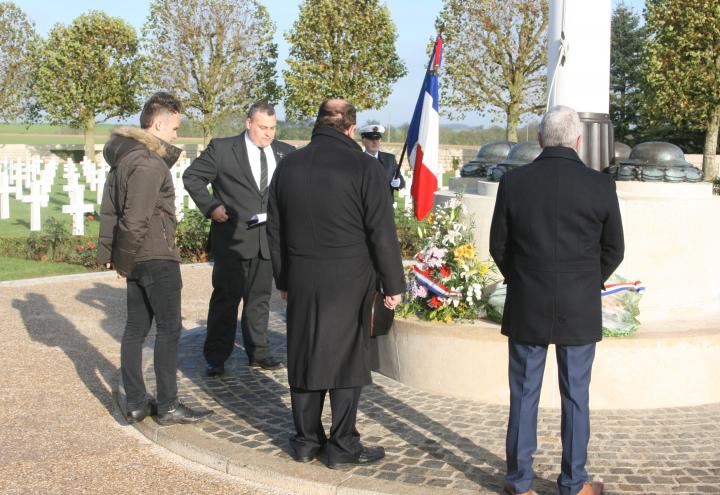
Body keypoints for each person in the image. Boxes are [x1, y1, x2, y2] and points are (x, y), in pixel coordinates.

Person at [489, 105, 624, 495]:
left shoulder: (514, 182)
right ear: (579, 141)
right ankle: (573, 482)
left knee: (524, 393)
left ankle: (519, 482)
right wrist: (586, 282)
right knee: (576, 396)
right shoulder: (600, 185)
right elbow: (614, 248)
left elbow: (500, 245)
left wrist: (523, 279)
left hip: (528, 302)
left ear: (540, 138)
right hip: (578, 306)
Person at [267, 99, 405, 468]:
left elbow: (274, 229)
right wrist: (394, 283)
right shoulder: (364, 166)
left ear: (318, 124)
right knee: (346, 360)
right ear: (350, 128)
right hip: (350, 278)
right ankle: (342, 447)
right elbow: (381, 232)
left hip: (301, 275)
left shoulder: (288, 165)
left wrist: (283, 279)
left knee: (305, 353)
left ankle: (305, 441)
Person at [98, 92, 212, 425]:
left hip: (138, 257)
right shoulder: (147, 162)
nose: (177, 134)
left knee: (135, 329)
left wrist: (116, 256)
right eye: (175, 127)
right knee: (169, 329)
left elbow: (110, 212)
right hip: (155, 255)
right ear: (159, 123)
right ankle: (168, 404)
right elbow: (134, 219)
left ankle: (135, 402)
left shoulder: (125, 158)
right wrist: (123, 260)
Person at [183, 102, 294, 377]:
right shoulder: (222, 149)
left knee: (259, 299)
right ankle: (216, 356)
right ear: (248, 124)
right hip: (232, 238)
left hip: (267, 241)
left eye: (273, 128)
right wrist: (211, 206)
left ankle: (258, 351)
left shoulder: (285, 152)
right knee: (226, 299)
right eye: (263, 128)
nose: (269, 134)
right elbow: (192, 176)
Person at [359, 124, 405, 198]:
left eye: (377, 139)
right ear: (363, 141)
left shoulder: (390, 159)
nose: (375, 142)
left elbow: (401, 181)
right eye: (371, 139)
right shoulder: (358, 160)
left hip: (386, 205)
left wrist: (398, 183)